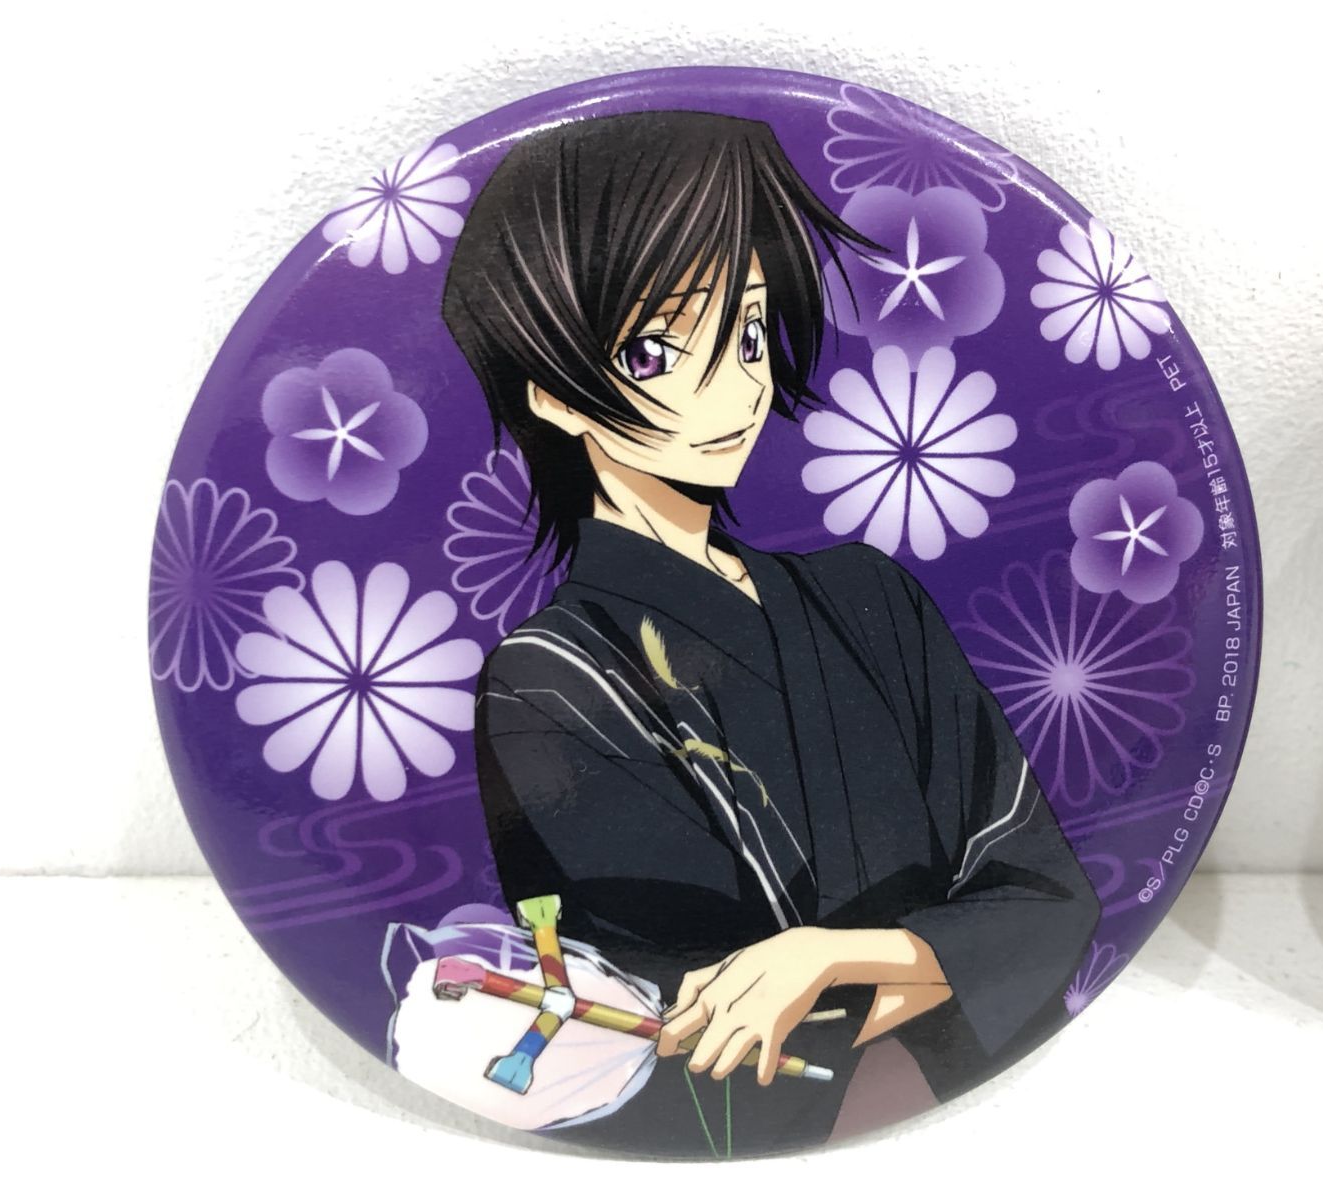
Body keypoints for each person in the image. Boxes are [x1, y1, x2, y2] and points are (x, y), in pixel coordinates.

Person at [439, 110, 1101, 1158]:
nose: (737, 386)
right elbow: (687, 1009)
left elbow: (1050, 892)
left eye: (748, 332)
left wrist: (828, 956)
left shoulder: (867, 595)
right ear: (550, 392)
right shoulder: (550, 681)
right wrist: (917, 952)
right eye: (658, 349)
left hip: (991, 1120)